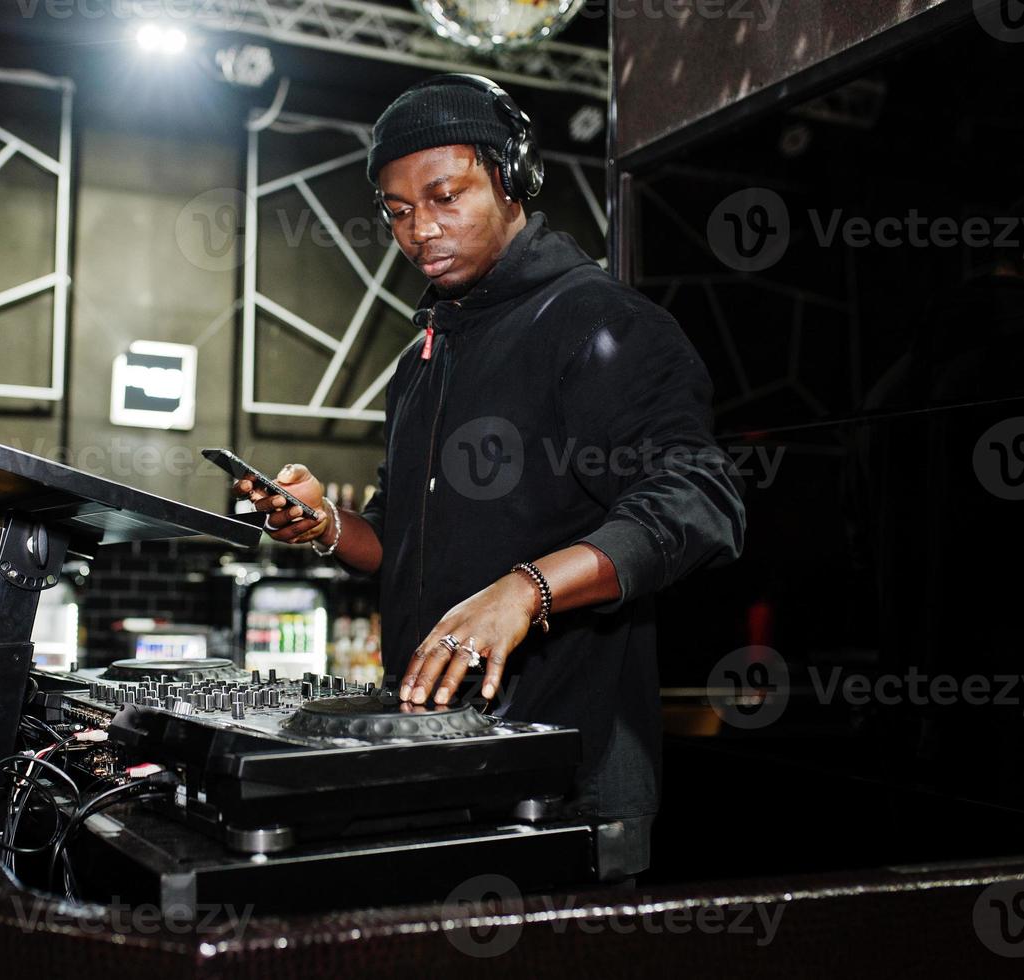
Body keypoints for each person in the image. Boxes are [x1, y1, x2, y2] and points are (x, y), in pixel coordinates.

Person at [234, 75, 746, 876]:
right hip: (438, 760)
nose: (420, 230)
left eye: (445, 196)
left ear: (511, 179)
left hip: (565, 782)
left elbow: (699, 499)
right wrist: (326, 525)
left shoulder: (600, 321)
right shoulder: (422, 357)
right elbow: (402, 543)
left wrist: (526, 590)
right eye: (398, 211)